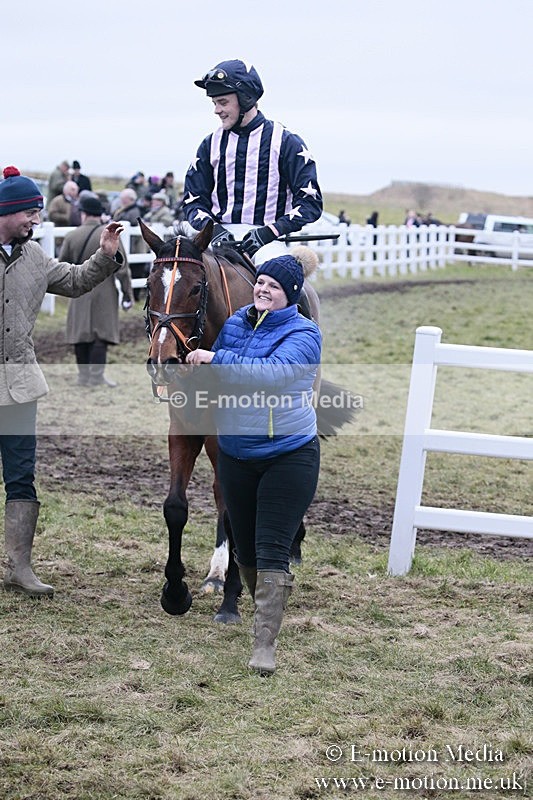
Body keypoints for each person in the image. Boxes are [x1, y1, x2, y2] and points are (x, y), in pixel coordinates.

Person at [186, 250, 321, 675]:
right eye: (261, 282)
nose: (263, 289)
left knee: (271, 548)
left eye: (274, 286)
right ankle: (268, 601)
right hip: (236, 454)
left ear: (291, 295)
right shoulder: (236, 323)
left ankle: (264, 643)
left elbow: (272, 375)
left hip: (287, 455)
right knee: (243, 547)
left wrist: (215, 359)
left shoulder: (305, 333)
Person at [0, 166, 125, 597]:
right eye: (30, 214)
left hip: (19, 385)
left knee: (21, 476)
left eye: (38, 213)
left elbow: (73, 281)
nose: (36, 221)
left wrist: (106, 254)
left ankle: (20, 568)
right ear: (7, 212)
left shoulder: (34, 256)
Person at [183, 59, 323, 264]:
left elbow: (310, 203)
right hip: (218, 238)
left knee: (281, 281)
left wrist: (269, 232)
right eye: (214, 103)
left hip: (268, 242)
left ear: (246, 99)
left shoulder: (286, 142)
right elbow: (193, 201)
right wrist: (212, 231)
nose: (216, 110)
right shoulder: (209, 144)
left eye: (223, 102)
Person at [60, 194, 132, 388]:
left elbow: (62, 266)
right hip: (105, 289)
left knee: (80, 333)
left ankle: (83, 377)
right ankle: (96, 376)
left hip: (79, 289)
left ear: (83, 213)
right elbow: (122, 268)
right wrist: (127, 294)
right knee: (101, 334)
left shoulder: (72, 236)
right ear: (99, 214)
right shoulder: (110, 235)